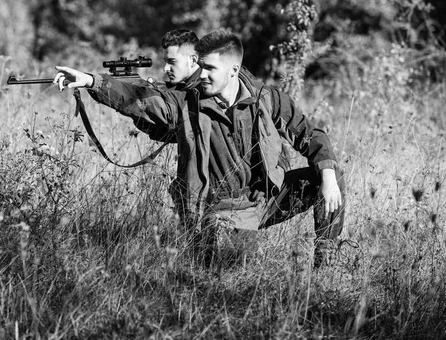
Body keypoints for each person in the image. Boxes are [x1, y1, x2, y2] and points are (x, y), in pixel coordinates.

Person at [54, 30, 345, 268]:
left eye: (209, 68)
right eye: (200, 66)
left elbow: (310, 134)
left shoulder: (265, 98)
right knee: (228, 273)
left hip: (267, 199)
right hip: (220, 212)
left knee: (330, 175)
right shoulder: (185, 103)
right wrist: (93, 82)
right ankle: (208, 253)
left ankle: (326, 261)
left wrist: (328, 177)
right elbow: (141, 99)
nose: (201, 74)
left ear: (233, 70)